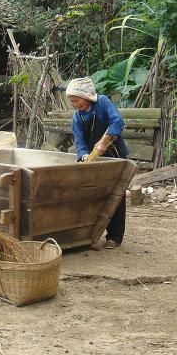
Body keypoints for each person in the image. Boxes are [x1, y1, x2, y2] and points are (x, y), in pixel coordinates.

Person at [66, 77, 129, 249]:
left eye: (76, 100)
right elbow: (79, 142)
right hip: (93, 161)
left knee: (116, 196)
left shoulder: (102, 102)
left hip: (114, 157)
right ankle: (88, 237)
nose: (74, 104)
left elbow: (118, 121)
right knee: (92, 195)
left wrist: (104, 141)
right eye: (72, 101)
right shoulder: (77, 117)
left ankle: (114, 237)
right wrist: (85, 156)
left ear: (86, 96)